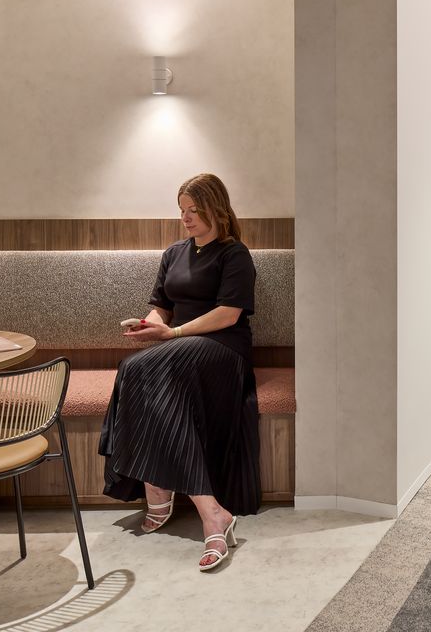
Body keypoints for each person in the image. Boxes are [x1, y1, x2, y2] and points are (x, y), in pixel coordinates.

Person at [99, 173, 260, 571]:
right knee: (135, 367)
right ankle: (206, 509)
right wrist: (149, 325)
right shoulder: (173, 253)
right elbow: (162, 307)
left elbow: (228, 314)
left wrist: (171, 334)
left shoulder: (234, 254)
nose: (185, 218)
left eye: (194, 210)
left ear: (216, 209)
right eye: (182, 210)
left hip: (223, 350)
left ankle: (163, 491)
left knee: (142, 368)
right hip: (180, 349)